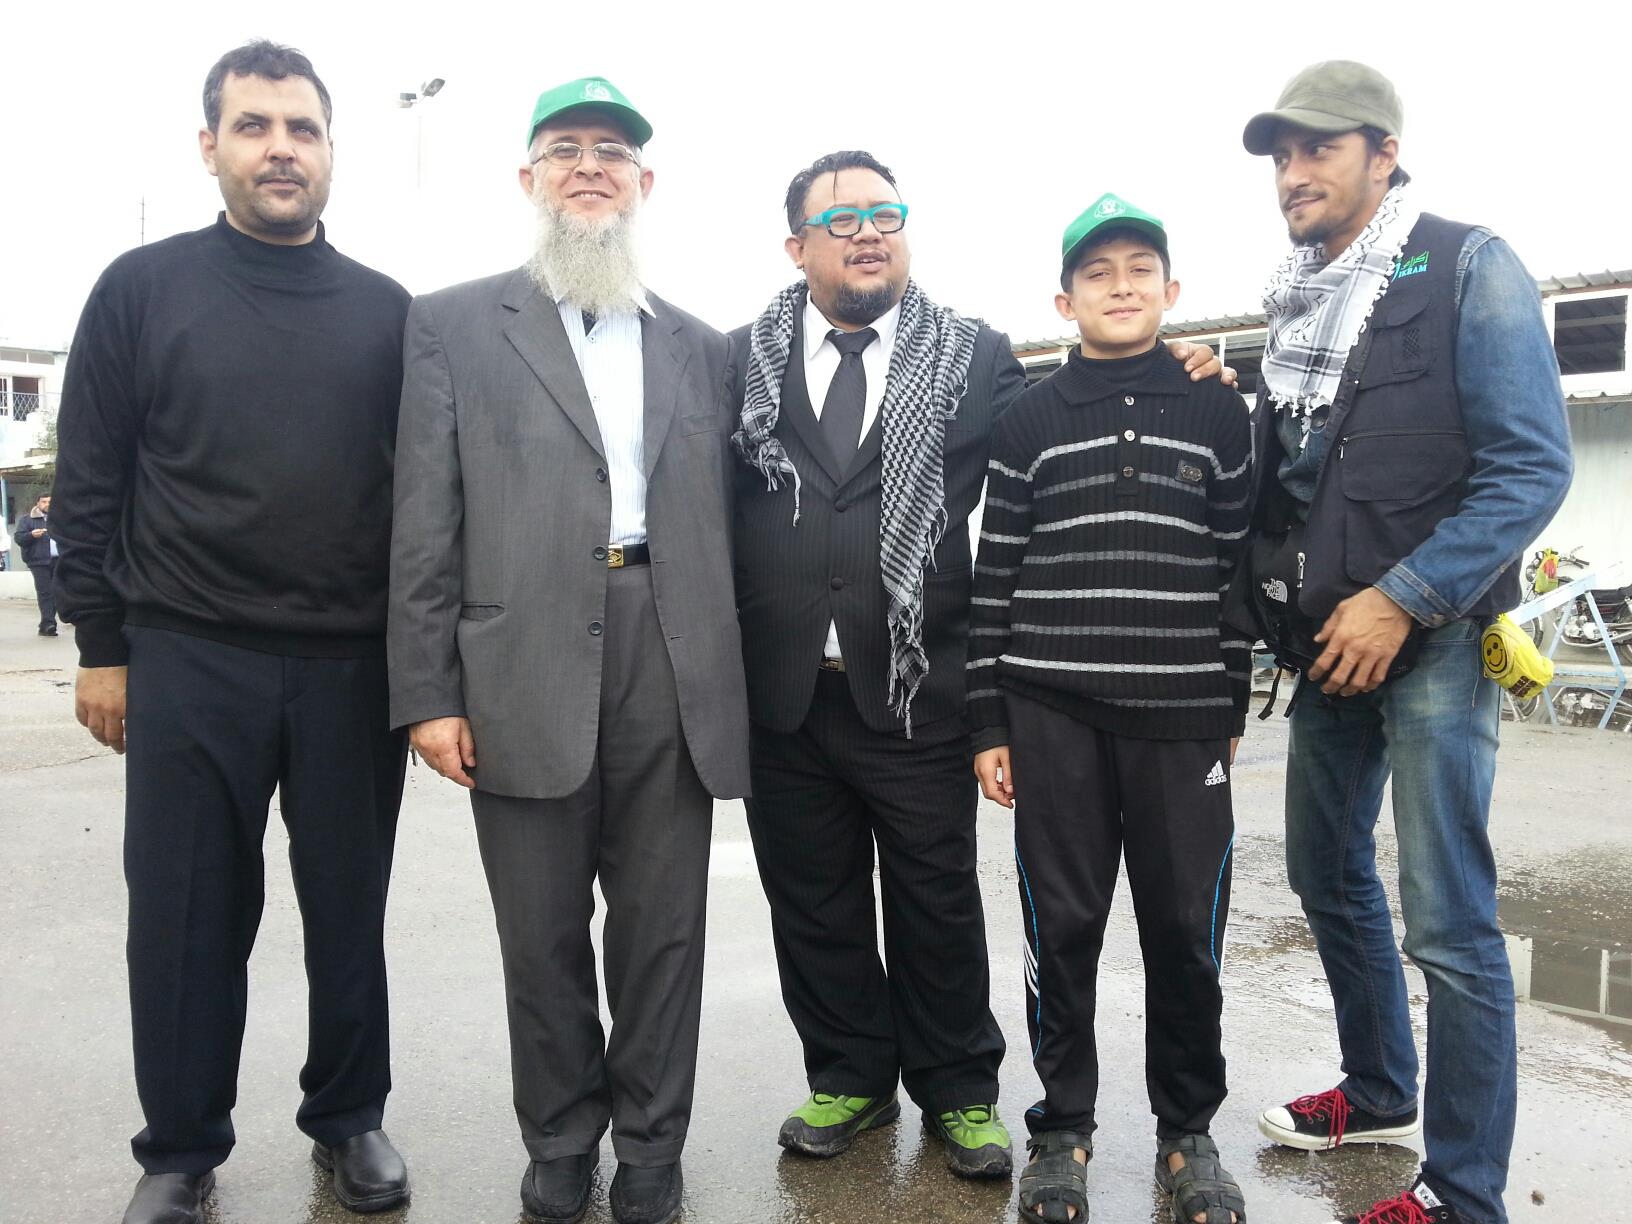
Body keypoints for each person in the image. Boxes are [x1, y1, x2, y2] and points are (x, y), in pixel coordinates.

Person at [726, 151, 1230, 1182]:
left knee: (936, 899)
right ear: (796, 245)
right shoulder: (738, 360)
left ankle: (959, 1090)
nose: (870, 232)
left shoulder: (977, 357)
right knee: (812, 900)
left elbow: (1082, 398)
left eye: (886, 213)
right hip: (783, 684)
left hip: (915, 681)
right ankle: (849, 1076)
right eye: (843, 219)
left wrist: (1177, 365)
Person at [49, 41, 413, 1224]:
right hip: (188, 656)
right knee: (186, 917)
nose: (280, 149)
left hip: (351, 665)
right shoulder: (141, 290)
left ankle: (349, 1119)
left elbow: (423, 503)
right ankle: (181, 1148)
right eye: (254, 127)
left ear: (330, 151)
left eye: (302, 129)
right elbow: (91, 480)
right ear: (209, 146)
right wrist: (102, 648)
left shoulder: (387, 313)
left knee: (348, 910)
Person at [388, 77, 749, 1224]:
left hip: (670, 653)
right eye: (565, 148)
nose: (589, 166)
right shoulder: (450, 325)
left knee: (662, 930)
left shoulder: (703, 347)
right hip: (519, 664)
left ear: (646, 183)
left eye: (612, 151)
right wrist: (428, 692)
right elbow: (424, 519)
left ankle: (650, 1146)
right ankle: (558, 1137)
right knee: (538, 932)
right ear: (528, 177)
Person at [1235, 61, 1572, 1224]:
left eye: (1319, 147)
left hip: (1429, 642)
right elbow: (1294, 484)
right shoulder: (1295, 305)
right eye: (1282, 154)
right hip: (1328, 646)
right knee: (1325, 872)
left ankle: (1465, 1193)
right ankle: (1380, 1091)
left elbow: (1532, 466)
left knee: (1449, 922)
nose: (1294, 172)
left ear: (1384, 153)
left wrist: (1405, 597)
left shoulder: (1468, 265)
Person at [968, 196, 1252, 1224]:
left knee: (1186, 930)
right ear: (1065, 300)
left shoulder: (1219, 412)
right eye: (1098, 273)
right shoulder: (1028, 418)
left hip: (1184, 718)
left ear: (1171, 291)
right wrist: (989, 723)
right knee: (1064, 929)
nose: (1120, 286)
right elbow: (995, 574)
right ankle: (1063, 1131)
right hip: (1053, 714)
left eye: (1140, 269)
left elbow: (1233, 567)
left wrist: (1229, 702)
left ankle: (1188, 1132)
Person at [14, 493, 61, 635]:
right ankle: (49, 624)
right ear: (38, 503)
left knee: (57, 591)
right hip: (39, 561)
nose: (47, 504)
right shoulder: (28, 520)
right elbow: (19, 538)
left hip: (59, 560)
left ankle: (46, 623)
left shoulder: (60, 519)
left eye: (50, 502)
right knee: (45, 592)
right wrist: (31, 535)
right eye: (44, 502)